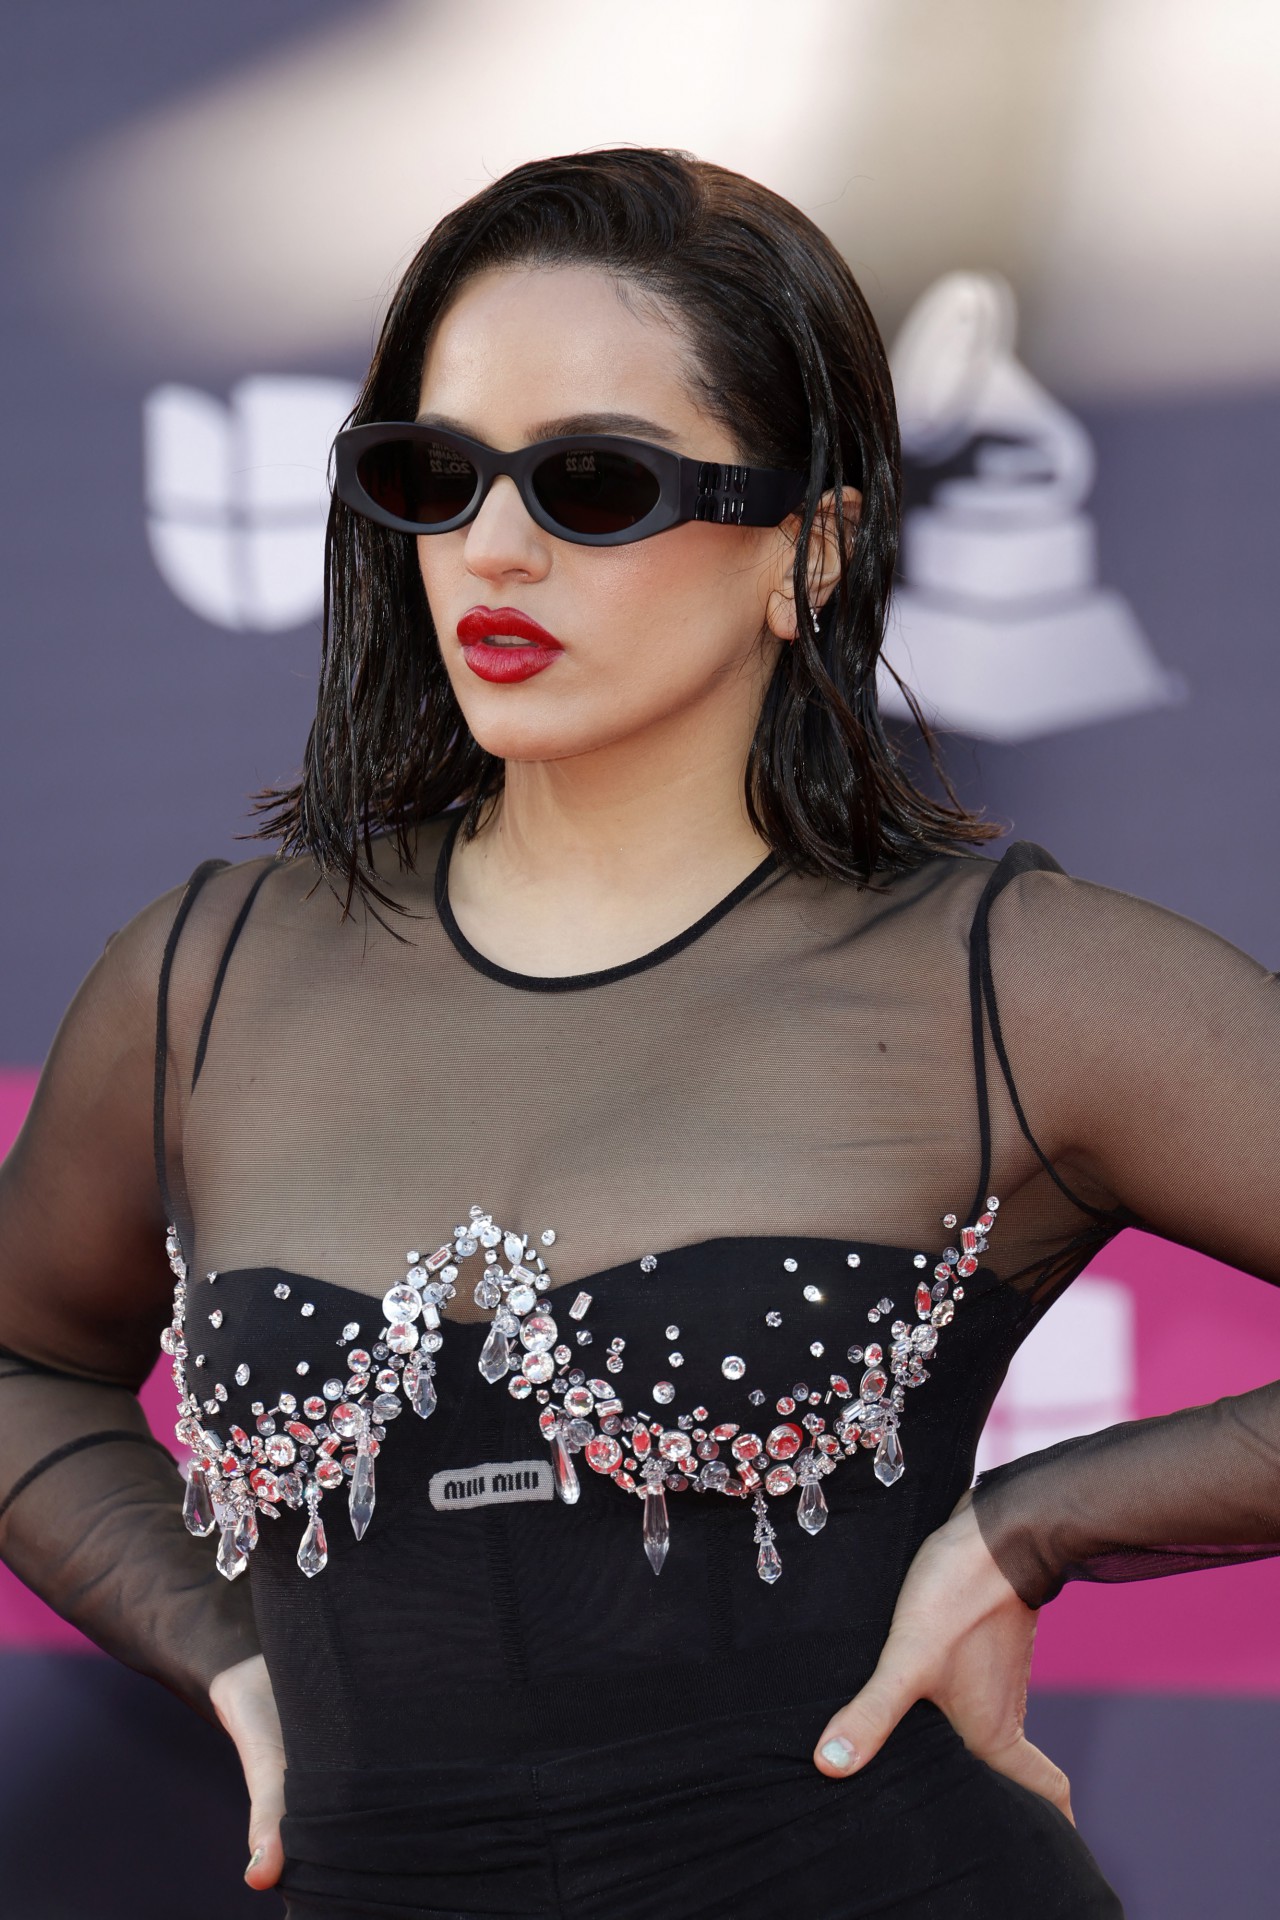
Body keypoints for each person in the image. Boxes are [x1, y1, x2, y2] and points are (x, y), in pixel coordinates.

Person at [0, 145, 1277, 1920]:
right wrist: (224, 1652)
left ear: (809, 550)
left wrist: (1036, 1523)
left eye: (593, 482)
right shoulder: (206, 978)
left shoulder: (1003, 982)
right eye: (433, 476)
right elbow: (21, 1362)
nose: (491, 547)